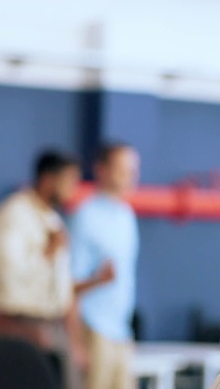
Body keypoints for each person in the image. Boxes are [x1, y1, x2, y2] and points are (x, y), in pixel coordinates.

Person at [0, 149, 100, 389]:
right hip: (18, 326)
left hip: (53, 326)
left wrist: (74, 341)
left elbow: (62, 288)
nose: (73, 189)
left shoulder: (52, 219)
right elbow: (7, 275)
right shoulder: (14, 214)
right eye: (69, 180)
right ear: (49, 179)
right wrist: (47, 253)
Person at [69, 143, 140, 389]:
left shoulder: (126, 215)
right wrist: (76, 344)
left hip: (121, 331)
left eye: (133, 170)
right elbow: (69, 286)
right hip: (94, 330)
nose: (130, 177)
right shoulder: (85, 216)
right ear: (102, 170)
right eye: (122, 170)